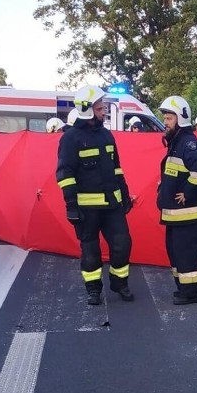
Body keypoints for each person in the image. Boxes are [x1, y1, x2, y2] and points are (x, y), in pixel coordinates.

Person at [57, 85, 135, 306]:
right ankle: (93, 289)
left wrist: (125, 193)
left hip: (112, 205)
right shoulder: (70, 139)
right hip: (86, 209)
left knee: (122, 243)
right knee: (90, 252)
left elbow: (116, 167)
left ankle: (120, 283)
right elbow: (65, 174)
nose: (104, 112)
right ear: (87, 109)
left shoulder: (106, 135)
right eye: (100, 108)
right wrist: (71, 204)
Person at [157, 95, 197, 305]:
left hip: (186, 214)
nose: (166, 122)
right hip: (175, 215)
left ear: (180, 118)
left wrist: (187, 192)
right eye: (166, 118)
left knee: (186, 253)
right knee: (175, 251)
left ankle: (191, 292)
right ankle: (183, 288)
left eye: (169, 118)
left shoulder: (189, 144)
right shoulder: (176, 142)